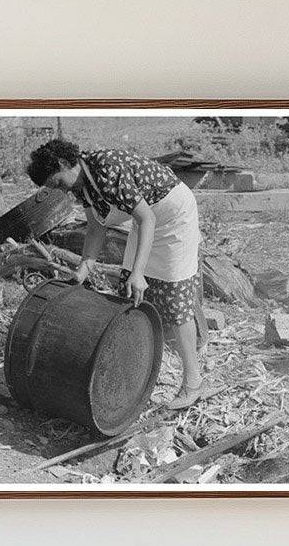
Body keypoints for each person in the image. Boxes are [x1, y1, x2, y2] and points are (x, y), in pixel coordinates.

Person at [26, 138, 204, 409]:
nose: (60, 190)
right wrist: (86, 264)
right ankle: (137, 370)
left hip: (172, 216)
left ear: (64, 163)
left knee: (175, 302)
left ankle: (193, 381)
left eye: (58, 182)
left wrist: (139, 272)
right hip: (146, 219)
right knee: (128, 294)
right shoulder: (80, 183)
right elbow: (96, 224)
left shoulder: (107, 168)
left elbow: (148, 218)